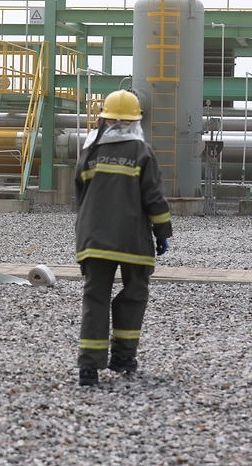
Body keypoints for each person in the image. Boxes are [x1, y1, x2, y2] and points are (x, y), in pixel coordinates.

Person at [73, 89, 173, 387]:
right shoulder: (142, 153)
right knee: (135, 294)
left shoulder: (89, 152)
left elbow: (80, 196)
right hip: (133, 241)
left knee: (95, 298)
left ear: (104, 119)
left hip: (94, 239)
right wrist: (162, 232)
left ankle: (89, 368)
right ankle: (123, 357)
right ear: (135, 122)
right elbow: (153, 198)